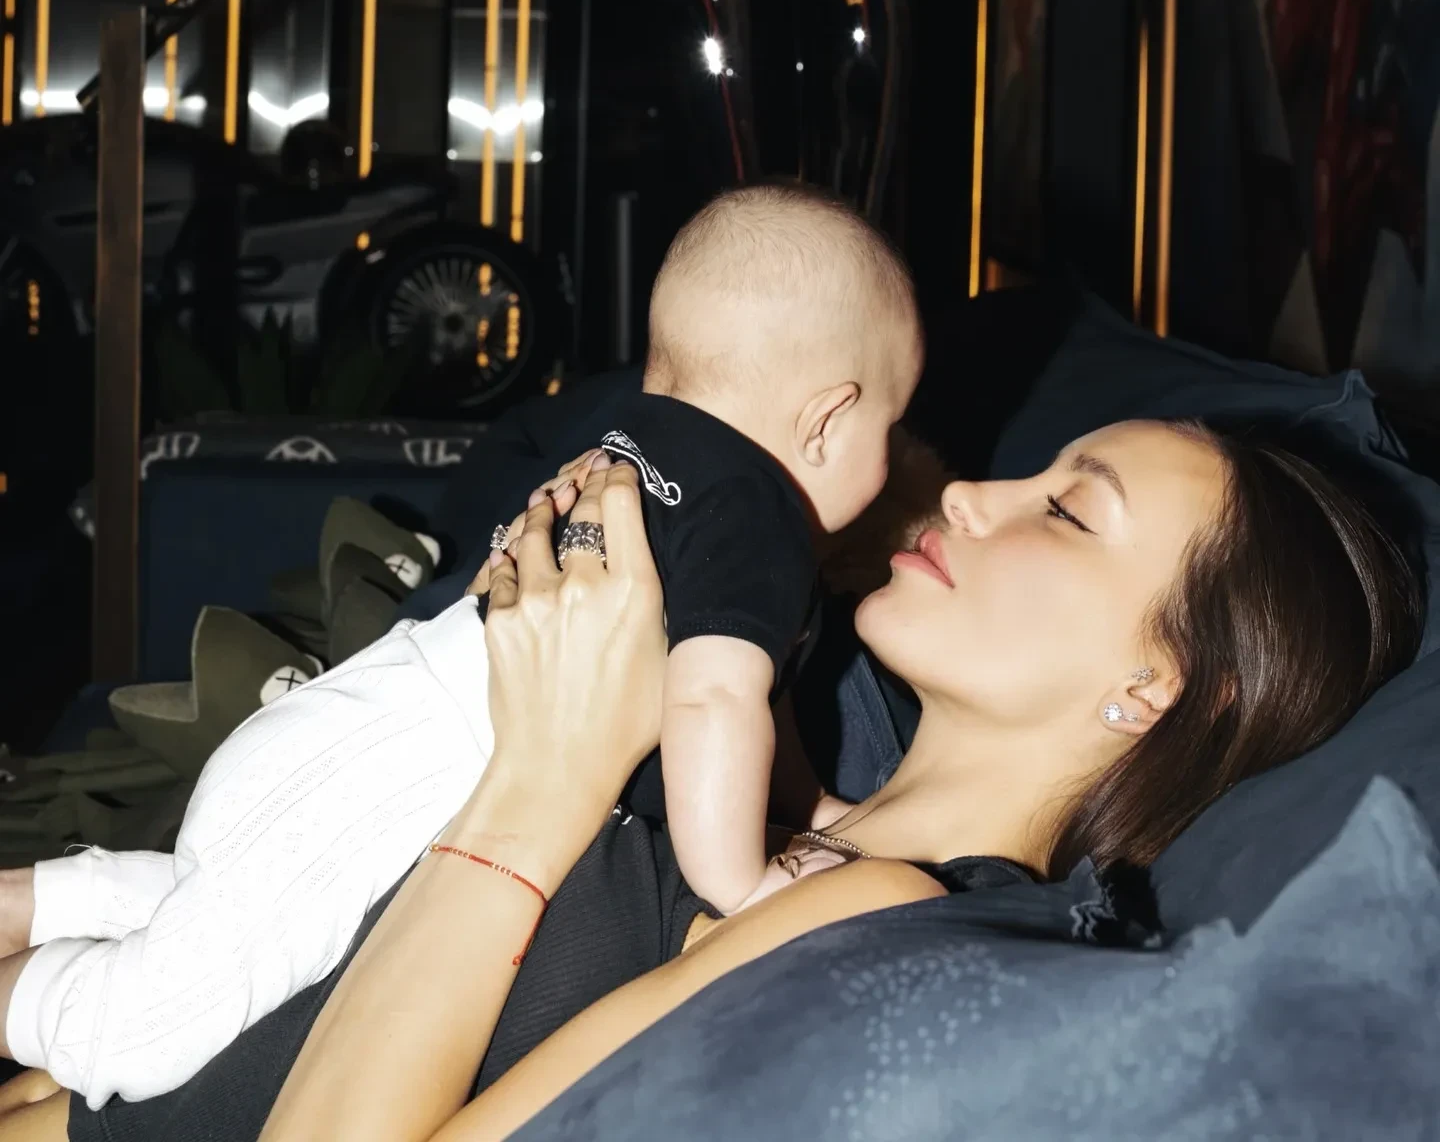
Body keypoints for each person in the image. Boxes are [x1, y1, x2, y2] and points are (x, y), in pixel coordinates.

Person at [0, 411, 1421, 1142]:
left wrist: (549, 770)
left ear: (1155, 688)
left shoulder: (879, 910)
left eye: (1066, 510)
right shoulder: (780, 796)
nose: (973, 496)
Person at [0, 184, 922, 1107]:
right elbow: (715, 701)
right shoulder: (758, 515)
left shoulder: (627, 442)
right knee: (140, 1037)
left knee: (247, 921)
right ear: (826, 420)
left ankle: (40, 901)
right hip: (411, 775)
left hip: (373, 726)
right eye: (889, 430)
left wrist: (812, 808)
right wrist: (742, 883)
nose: (891, 467)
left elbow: (755, 706)